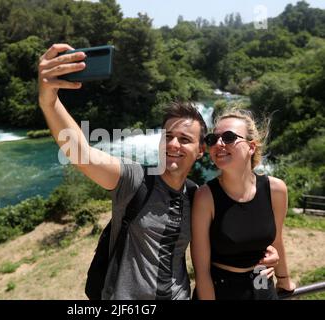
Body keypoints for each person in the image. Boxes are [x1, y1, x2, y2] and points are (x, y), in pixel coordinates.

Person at [38, 43, 278, 300]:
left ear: (200, 151)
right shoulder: (133, 180)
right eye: (169, 136)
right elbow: (81, 153)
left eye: (185, 140)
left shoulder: (198, 196)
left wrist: (264, 255)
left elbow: (229, 238)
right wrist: (49, 101)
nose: (174, 144)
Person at [191, 108, 296, 300]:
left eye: (229, 137)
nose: (219, 144)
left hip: (263, 286)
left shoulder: (276, 190)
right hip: (221, 291)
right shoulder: (205, 197)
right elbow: (202, 272)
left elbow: (276, 240)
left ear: (251, 146)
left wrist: (284, 279)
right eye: (213, 139)